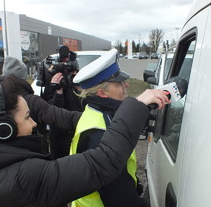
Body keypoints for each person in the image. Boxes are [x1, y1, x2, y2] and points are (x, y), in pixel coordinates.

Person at [0, 74, 168, 206]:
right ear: (3, 129)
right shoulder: (24, 177)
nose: (35, 123)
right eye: (27, 117)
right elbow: (101, 163)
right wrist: (136, 105)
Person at [69, 49, 170, 207]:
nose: (127, 84)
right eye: (119, 83)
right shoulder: (99, 133)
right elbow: (120, 197)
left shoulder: (97, 111)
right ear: (102, 92)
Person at [0, 56, 82, 153]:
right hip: (32, 152)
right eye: (27, 117)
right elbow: (55, 115)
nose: (33, 123)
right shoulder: (30, 100)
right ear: (22, 79)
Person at [42, 46, 84, 158]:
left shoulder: (81, 82)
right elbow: (51, 111)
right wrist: (58, 92)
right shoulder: (53, 81)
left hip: (78, 128)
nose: (70, 73)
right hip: (59, 133)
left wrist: (78, 88)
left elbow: (86, 104)